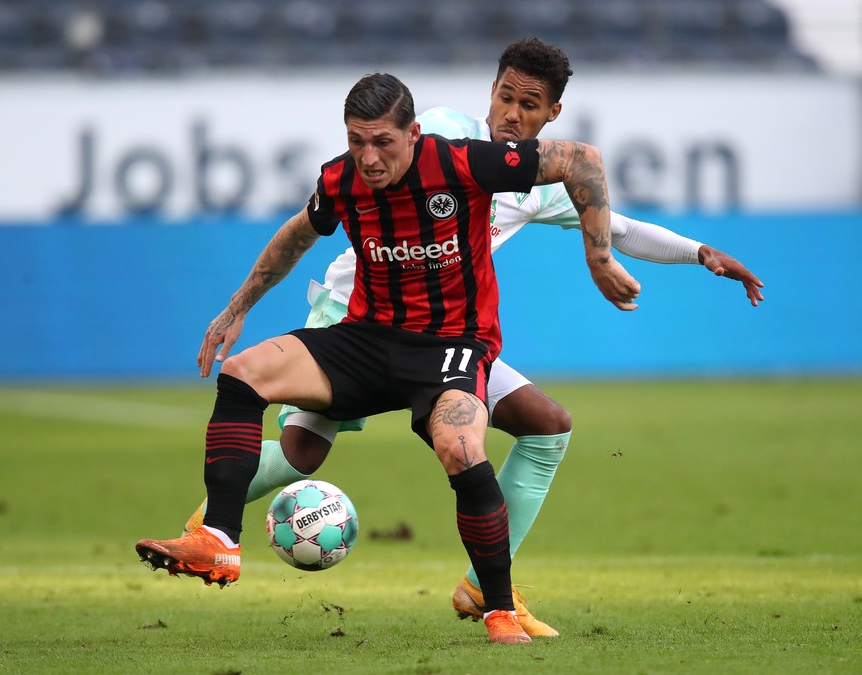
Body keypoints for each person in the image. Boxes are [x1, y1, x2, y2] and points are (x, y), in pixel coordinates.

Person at [179, 38, 765, 638]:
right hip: (354, 315)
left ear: (551, 115)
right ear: (490, 92)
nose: (512, 114)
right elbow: (355, 177)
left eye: (529, 105)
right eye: (505, 97)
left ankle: (484, 587)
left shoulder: (529, 184)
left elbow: (611, 221)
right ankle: (212, 522)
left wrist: (699, 253)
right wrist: (244, 301)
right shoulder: (439, 135)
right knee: (303, 453)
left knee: (546, 425)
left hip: (446, 335)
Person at [136, 71, 640, 645]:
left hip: (450, 346)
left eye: (382, 142)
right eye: (357, 141)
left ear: (414, 133)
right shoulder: (342, 178)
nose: (369, 158)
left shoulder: (463, 162)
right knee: (243, 373)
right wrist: (237, 305)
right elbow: (299, 233)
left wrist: (598, 258)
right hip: (366, 340)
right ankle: (219, 540)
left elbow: (582, 160)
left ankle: (496, 608)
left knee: (462, 447)